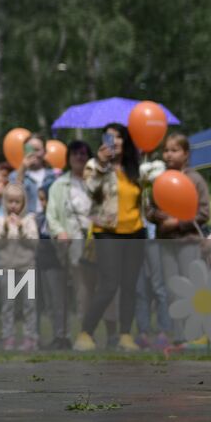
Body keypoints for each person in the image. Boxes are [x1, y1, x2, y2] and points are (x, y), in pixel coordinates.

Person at [73, 124, 143, 352]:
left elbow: (142, 200)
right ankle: (86, 333)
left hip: (135, 231)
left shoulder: (135, 168)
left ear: (126, 141)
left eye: (119, 137)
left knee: (130, 286)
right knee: (109, 285)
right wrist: (103, 164)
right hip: (107, 232)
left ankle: (125, 335)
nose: (115, 141)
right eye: (109, 137)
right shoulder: (94, 166)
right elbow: (90, 189)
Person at [146, 133, 210, 345]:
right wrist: (157, 217)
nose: (168, 155)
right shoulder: (159, 179)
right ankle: (180, 336)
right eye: (166, 150)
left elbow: (203, 213)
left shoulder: (195, 179)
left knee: (191, 287)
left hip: (188, 242)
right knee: (172, 289)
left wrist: (179, 222)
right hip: (166, 242)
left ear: (186, 154)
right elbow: (149, 210)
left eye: (174, 150)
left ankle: (197, 334)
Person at [41, 140, 91, 349]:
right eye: (75, 154)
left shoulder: (96, 183)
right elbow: (51, 215)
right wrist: (59, 232)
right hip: (62, 247)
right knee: (58, 294)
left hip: (88, 247)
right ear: (68, 158)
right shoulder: (59, 185)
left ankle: (85, 334)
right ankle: (61, 336)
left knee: (84, 293)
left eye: (83, 153)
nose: (79, 157)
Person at [0, 183, 38, 350]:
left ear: (23, 202)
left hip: (27, 268)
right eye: (10, 201)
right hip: (7, 268)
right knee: (8, 305)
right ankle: (7, 337)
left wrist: (21, 229)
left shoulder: (29, 220)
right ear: (4, 202)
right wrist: (4, 229)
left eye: (17, 202)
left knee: (29, 304)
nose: (13, 205)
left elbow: (34, 243)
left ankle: (30, 337)